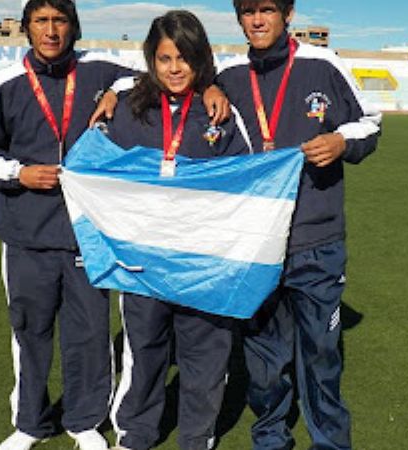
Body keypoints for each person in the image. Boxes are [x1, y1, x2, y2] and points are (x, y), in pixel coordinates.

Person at [0, 1, 231, 448]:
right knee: (30, 329)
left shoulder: (100, 69)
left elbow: (161, 69)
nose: (51, 31)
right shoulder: (7, 82)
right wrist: (19, 173)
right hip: (27, 232)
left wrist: (208, 85)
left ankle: (85, 421)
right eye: (41, 22)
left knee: (88, 332)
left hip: (90, 231)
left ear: (74, 27)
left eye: (60, 21)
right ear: (27, 28)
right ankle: (29, 423)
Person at [216, 1, 382, 449]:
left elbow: (370, 123)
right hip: (255, 243)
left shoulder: (322, 65)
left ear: (287, 13)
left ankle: (330, 442)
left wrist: (341, 140)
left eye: (267, 9)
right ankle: (271, 437)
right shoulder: (227, 75)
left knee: (320, 354)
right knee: (263, 359)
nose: (257, 20)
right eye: (247, 11)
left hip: (316, 240)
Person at [104, 10, 252, 450]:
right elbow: (99, 171)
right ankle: (135, 434)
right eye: (165, 58)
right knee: (143, 351)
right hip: (143, 261)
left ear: (200, 58)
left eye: (184, 58)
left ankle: (197, 436)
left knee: (205, 355)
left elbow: (246, 179)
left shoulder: (220, 112)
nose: (174, 68)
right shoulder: (128, 108)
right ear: (152, 59)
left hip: (202, 263)